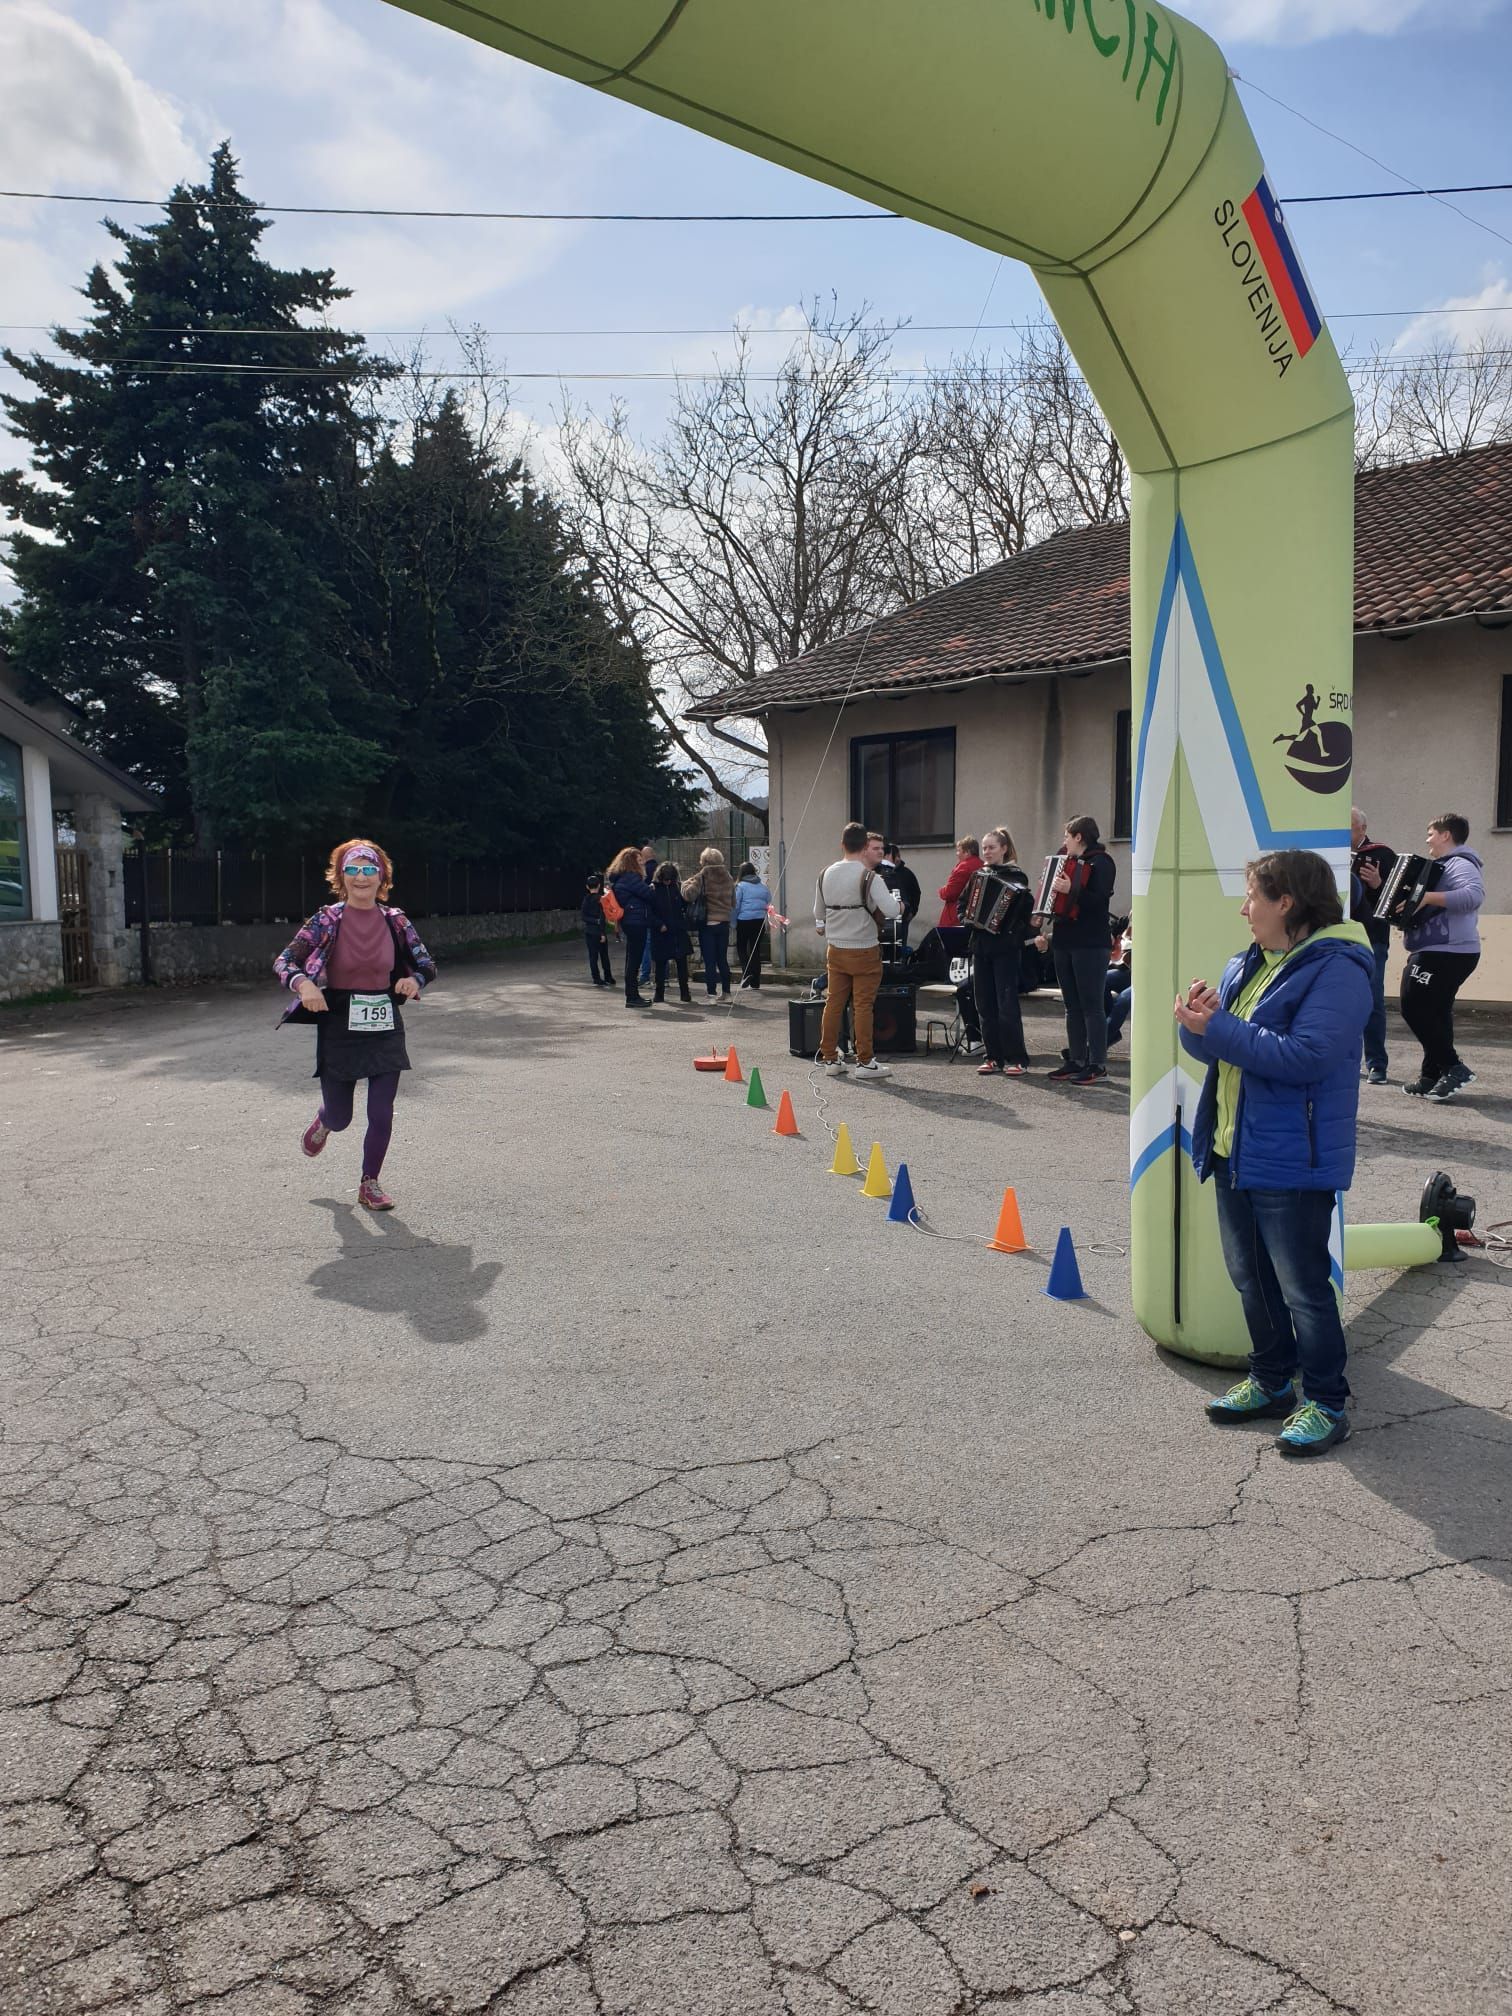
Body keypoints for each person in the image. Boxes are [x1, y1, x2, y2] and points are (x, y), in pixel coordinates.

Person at [1174, 849, 1373, 1457]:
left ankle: (1327, 1403)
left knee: (1303, 1288)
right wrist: (1196, 1024)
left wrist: (1220, 1029)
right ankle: (1270, 1381)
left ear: (1286, 902)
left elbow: (1306, 1057)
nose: (1244, 910)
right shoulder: (1250, 962)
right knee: (1251, 1278)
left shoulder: (1340, 968)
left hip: (1292, 1158)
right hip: (1235, 1147)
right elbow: (1222, 1049)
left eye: (1252, 897)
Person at [274, 839, 437, 1213]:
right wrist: (304, 985)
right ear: (341, 876)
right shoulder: (326, 920)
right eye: (352, 869)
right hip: (339, 1019)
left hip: (384, 1019)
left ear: (381, 877)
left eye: (369, 869)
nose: (361, 877)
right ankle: (324, 1122)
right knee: (341, 1117)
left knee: (381, 1111)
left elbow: (426, 965)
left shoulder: (396, 920)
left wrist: (414, 981)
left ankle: (370, 1183)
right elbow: (285, 961)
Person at [1399, 812, 1484, 1102]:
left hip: (1446, 952)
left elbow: (1474, 896)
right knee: (1435, 1012)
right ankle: (1431, 1076)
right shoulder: (1442, 867)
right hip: (1442, 950)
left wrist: (1427, 897)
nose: (1427, 840)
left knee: (1413, 1006)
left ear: (1446, 835)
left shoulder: (1460, 863)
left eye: (1431, 834)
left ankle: (1453, 1067)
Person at [1034, 814, 1117, 1086]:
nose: (1064, 841)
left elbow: (1099, 901)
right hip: (1064, 940)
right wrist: (1043, 910)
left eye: (1067, 836)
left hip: (1091, 942)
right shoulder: (1063, 862)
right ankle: (1077, 1060)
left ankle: (1097, 1064)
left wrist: (1073, 890)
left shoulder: (1102, 862)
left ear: (1079, 837)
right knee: (1072, 1006)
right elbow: (1056, 899)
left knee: (1092, 1006)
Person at [815, 823, 902, 1081]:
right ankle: (864, 1061)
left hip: (835, 948)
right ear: (865, 847)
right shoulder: (869, 877)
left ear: (842, 844)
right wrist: (901, 905)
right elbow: (892, 910)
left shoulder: (825, 874)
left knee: (834, 1003)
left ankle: (830, 1058)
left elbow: (818, 913)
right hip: (864, 949)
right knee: (863, 1006)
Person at [963, 827, 1032, 1078]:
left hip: (1005, 948)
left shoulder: (1017, 877)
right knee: (984, 1003)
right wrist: (967, 918)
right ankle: (993, 1056)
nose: (987, 852)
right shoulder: (977, 875)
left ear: (1004, 849)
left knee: (1006, 1005)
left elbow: (1023, 913)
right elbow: (962, 904)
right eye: (984, 848)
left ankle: (1017, 1058)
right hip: (981, 946)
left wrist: (1007, 924)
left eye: (991, 847)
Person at [1349, 806, 1396, 1085]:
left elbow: (1397, 899)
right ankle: (1347, 1060)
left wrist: (1378, 884)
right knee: (1342, 1000)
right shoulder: (1330, 855)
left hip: (1372, 938)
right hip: (1339, 936)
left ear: (1363, 829)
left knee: (1373, 1000)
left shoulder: (1382, 855)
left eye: (1348, 827)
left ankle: (1377, 1064)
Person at [606, 845, 659, 1009]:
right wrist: (652, 887)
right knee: (634, 960)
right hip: (636, 922)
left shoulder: (621, 878)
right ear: (632, 862)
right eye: (639, 860)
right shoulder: (631, 877)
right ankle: (632, 996)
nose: (643, 863)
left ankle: (632, 994)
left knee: (631, 958)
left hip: (629, 921)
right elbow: (649, 895)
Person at [682, 847, 737, 999]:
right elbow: (733, 901)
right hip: (724, 923)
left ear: (704, 861)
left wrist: (685, 884)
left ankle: (711, 993)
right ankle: (727, 992)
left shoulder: (702, 875)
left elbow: (689, 895)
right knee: (722, 960)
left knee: (709, 961)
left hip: (708, 924)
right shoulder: (728, 876)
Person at [648, 860, 694, 1004]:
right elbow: (649, 912)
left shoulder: (677, 887)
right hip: (661, 931)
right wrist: (658, 924)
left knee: (682, 963)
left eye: (670, 879)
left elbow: (685, 905)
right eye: (665, 880)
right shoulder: (653, 889)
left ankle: (685, 992)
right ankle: (659, 993)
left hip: (677, 930)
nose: (667, 882)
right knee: (660, 964)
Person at [733, 861, 774, 989]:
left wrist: (733, 922)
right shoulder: (763, 887)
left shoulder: (740, 886)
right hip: (759, 921)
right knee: (755, 950)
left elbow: (736, 906)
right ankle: (755, 983)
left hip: (744, 920)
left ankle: (747, 973)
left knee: (741, 947)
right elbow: (769, 904)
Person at [880, 841, 921, 952]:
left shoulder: (906, 873)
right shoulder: (880, 873)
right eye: (895, 855)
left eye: (899, 856)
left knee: (900, 948)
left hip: (902, 918)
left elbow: (916, 893)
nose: (897, 859)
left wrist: (912, 911)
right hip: (885, 921)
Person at [937, 835, 983, 929]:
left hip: (956, 917)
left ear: (967, 852)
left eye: (959, 851)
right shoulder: (983, 865)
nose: (957, 854)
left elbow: (949, 893)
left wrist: (941, 891)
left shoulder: (963, 867)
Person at [580, 872, 614, 988]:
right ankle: (608, 976)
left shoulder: (585, 900)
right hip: (599, 931)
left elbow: (583, 916)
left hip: (589, 931)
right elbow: (602, 917)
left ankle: (596, 978)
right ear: (599, 886)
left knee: (593, 956)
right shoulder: (601, 899)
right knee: (604, 955)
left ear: (587, 886)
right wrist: (602, 932)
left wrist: (593, 921)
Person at [1105, 921, 1133, 1048]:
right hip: (1132, 971)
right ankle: (1110, 1032)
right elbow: (1128, 936)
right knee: (1103, 980)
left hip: (1154, 975)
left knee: (1123, 999)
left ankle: (1099, 1042)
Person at [636, 844, 658, 988]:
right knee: (661, 945)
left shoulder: (643, 873)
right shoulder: (661, 870)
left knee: (647, 946)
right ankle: (664, 978)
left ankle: (645, 976)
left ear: (643, 857)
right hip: (661, 913)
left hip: (647, 913)